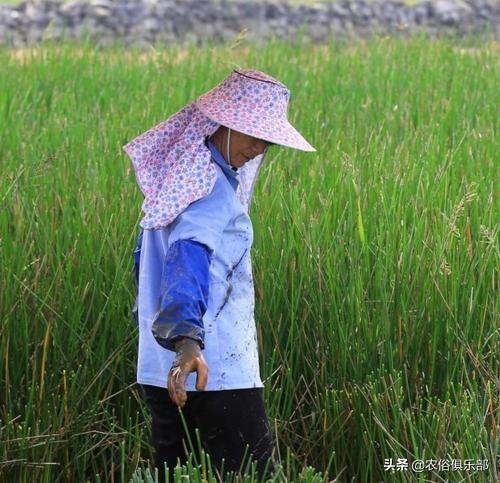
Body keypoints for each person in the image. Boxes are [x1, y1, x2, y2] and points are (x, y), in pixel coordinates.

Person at [123, 69, 316, 482]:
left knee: (172, 474)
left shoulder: (177, 181)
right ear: (223, 125)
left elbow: (147, 268)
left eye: (268, 138)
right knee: (253, 475)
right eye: (253, 134)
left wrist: (176, 350)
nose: (261, 147)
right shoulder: (209, 189)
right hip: (215, 370)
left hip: (162, 370)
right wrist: (188, 343)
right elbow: (187, 258)